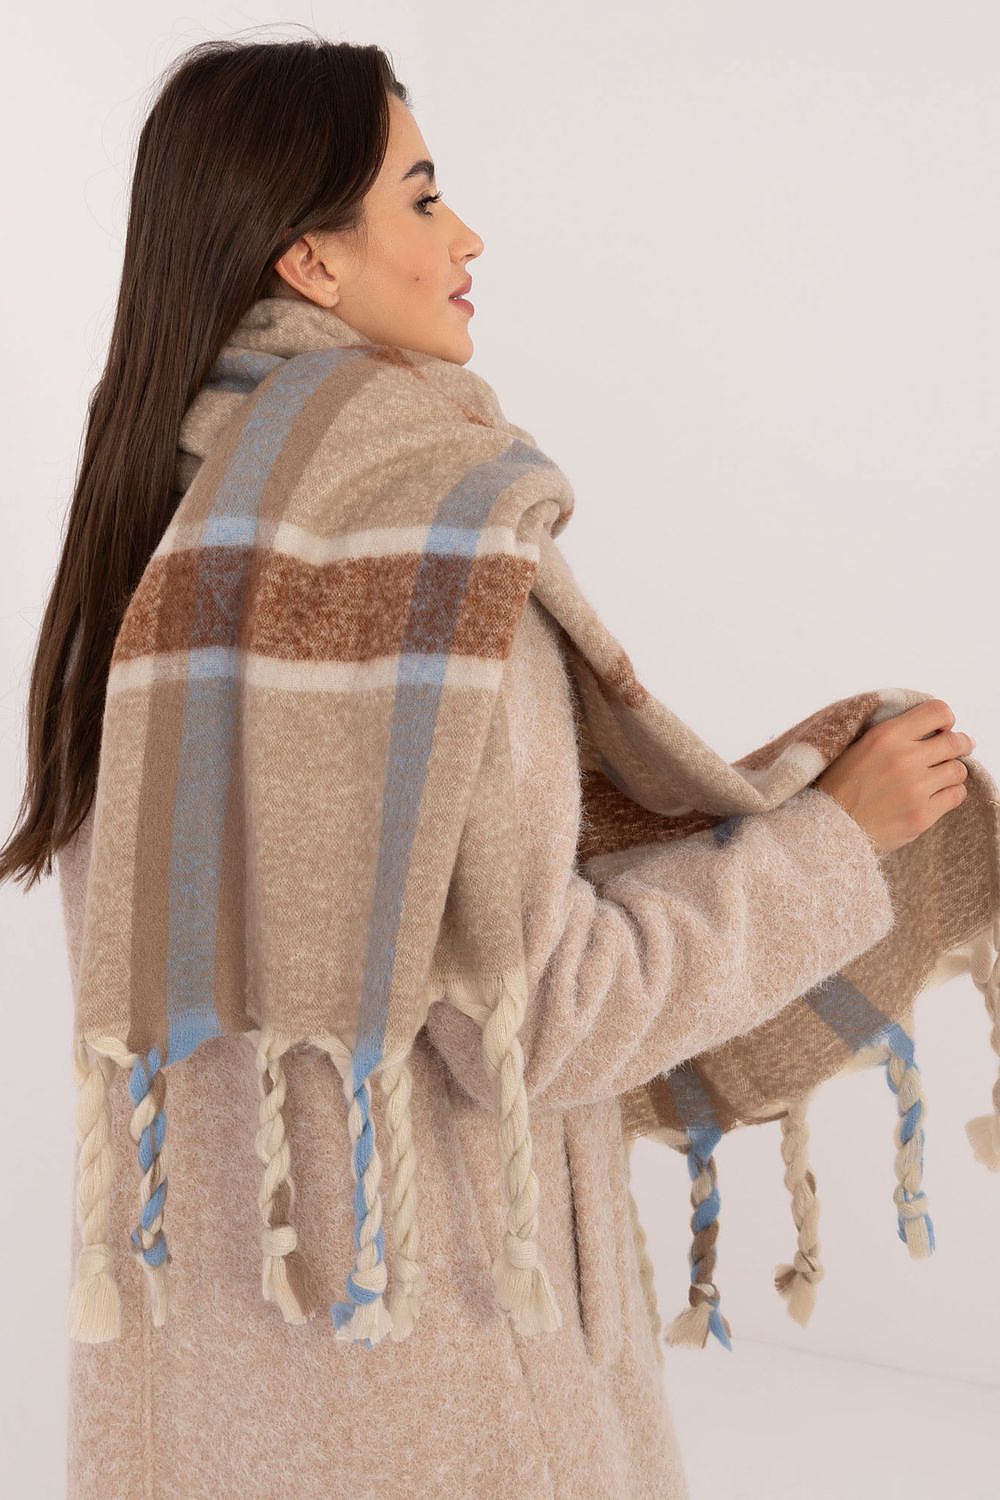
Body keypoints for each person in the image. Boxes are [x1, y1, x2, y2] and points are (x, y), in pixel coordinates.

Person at [0, 31, 974, 1500]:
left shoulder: (143, 552)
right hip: (448, 1402)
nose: (467, 236)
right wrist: (831, 839)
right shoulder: (435, 562)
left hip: (200, 1407)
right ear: (311, 260)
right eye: (422, 195)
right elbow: (538, 1021)